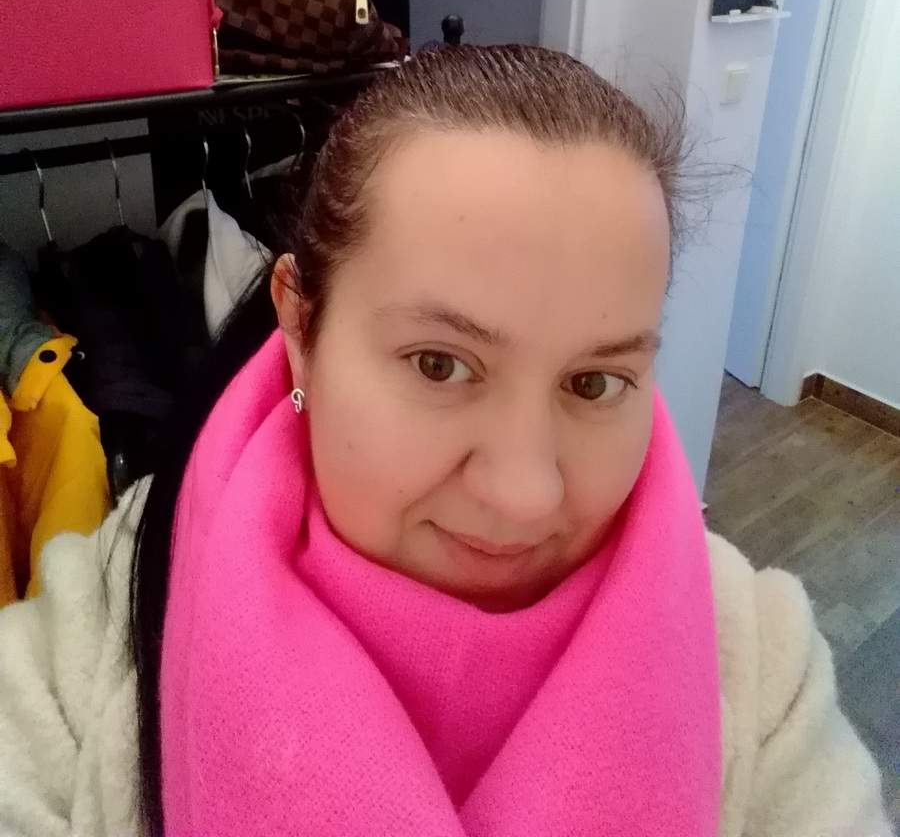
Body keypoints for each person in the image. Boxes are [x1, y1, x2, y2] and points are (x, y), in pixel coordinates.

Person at [0, 46, 890, 837]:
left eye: (593, 383)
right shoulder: (102, 630)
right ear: (300, 324)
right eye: (440, 365)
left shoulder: (756, 665)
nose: (525, 495)